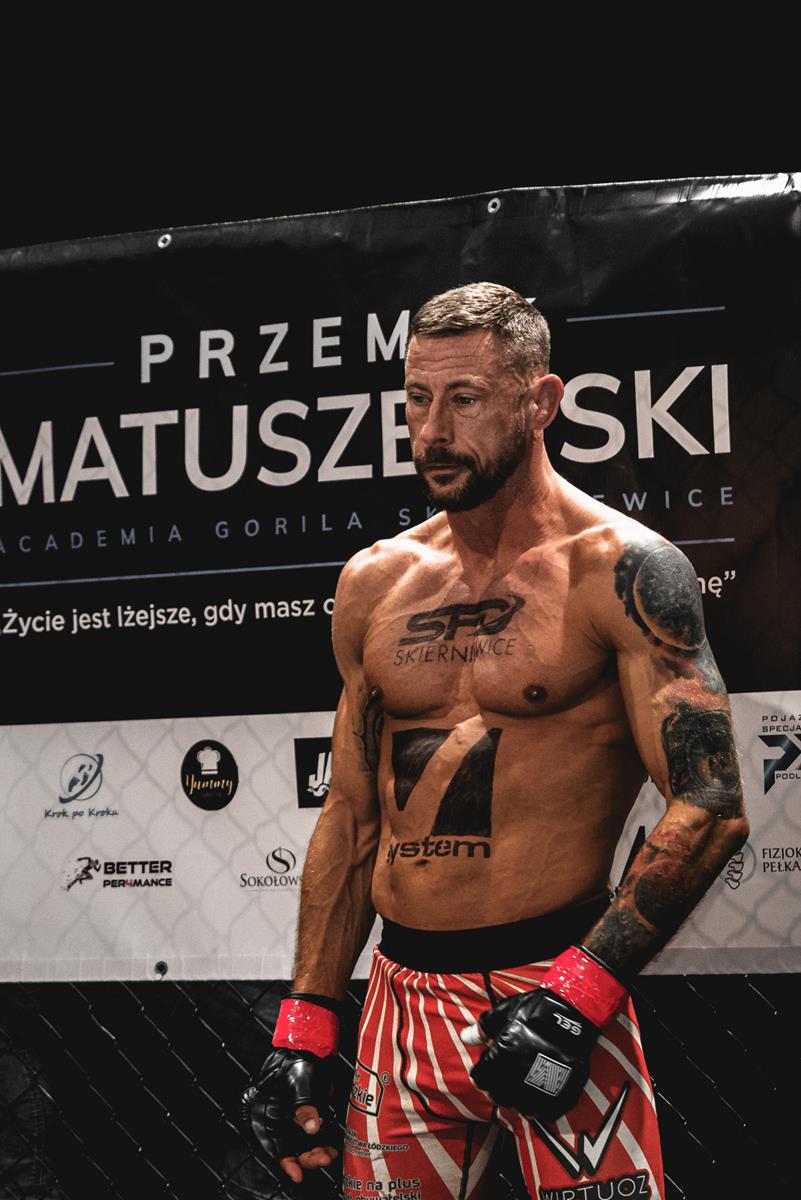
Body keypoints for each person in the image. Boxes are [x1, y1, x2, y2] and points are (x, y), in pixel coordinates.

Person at [244, 282, 748, 1199]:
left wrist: (576, 1001)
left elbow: (709, 805)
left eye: (465, 399)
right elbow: (351, 817)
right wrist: (305, 1026)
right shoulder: (375, 583)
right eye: (417, 399)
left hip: (556, 982)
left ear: (539, 401)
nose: (433, 430)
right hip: (401, 1000)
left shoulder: (622, 569)